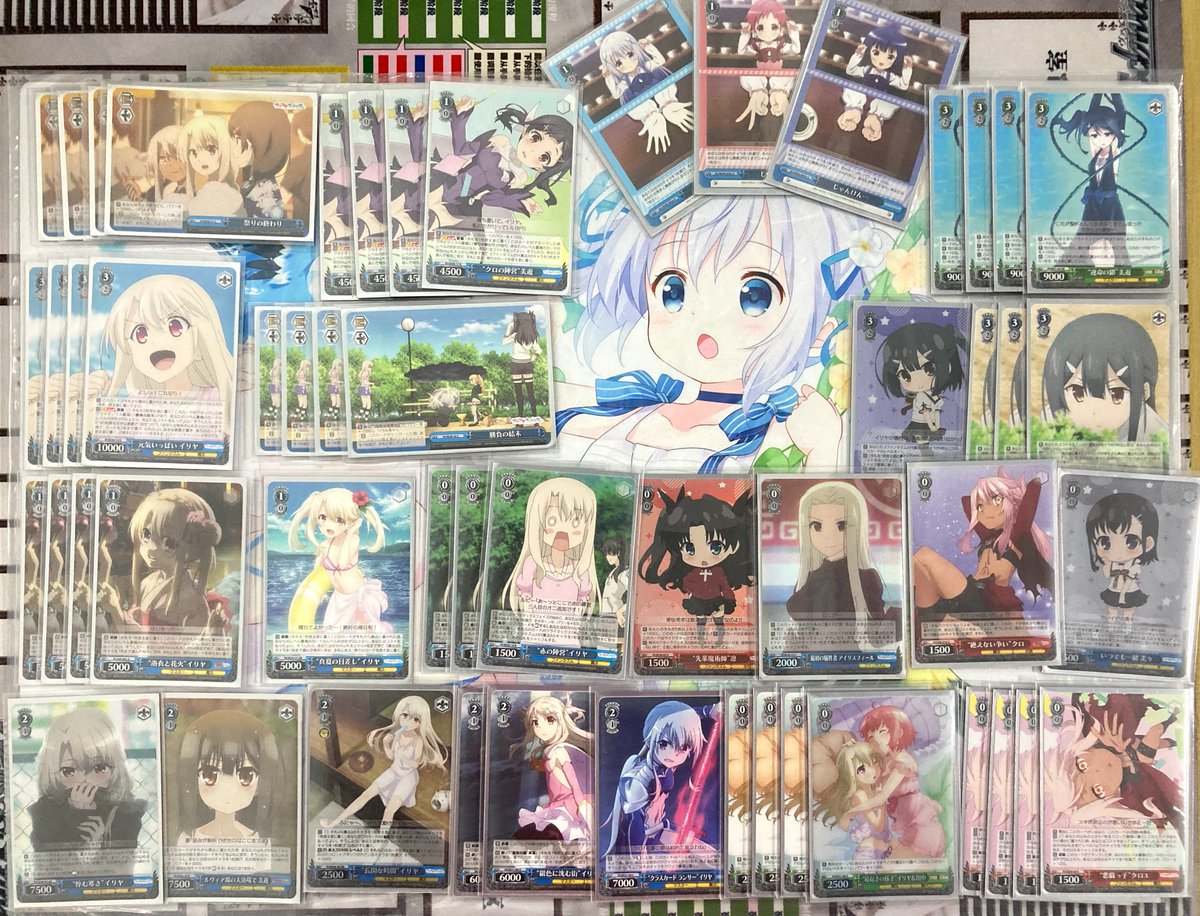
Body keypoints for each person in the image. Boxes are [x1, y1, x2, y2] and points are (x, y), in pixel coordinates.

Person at [323, 695, 448, 831]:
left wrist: (404, 757)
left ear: (420, 723)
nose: (408, 721)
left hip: (407, 778)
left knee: (389, 810)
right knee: (365, 795)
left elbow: (415, 764)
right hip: (393, 771)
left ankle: (381, 837)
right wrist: (386, 745)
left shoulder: (418, 741)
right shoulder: (398, 734)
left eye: (415, 719)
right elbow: (392, 756)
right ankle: (333, 823)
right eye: (405, 715)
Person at [286, 487, 391, 632]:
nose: (328, 525)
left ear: (351, 522)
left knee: (358, 634)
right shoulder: (324, 545)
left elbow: (342, 563)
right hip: (339, 598)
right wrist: (319, 594)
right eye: (323, 517)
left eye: (339, 520)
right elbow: (318, 571)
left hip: (356, 596)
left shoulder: (353, 540)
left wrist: (351, 533)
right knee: (331, 633)